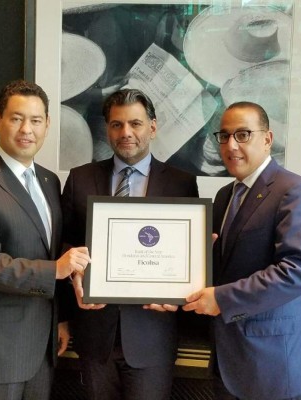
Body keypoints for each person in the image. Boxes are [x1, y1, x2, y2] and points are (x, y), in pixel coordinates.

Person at [0, 80, 89, 400]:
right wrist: (55, 270)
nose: (27, 129)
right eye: (16, 118)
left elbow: (52, 249)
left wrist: (61, 318)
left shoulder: (49, 181)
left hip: (41, 350)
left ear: (47, 124)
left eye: (36, 120)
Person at [61, 88, 199, 400]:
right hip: (95, 333)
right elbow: (65, 243)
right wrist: (73, 277)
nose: (126, 132)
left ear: (152, 127)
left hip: (153, 335)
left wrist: (181, 292)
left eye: (135, 124)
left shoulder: (181, 183)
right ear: (107, 129)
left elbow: (187, 255)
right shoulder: (80, 178)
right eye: (117, 124)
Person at [183, 102, 301, 400]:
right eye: (224, 136)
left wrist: (222, 298)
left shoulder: (293, 190)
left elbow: (298, 272)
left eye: (243, 134)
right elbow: (222, 267)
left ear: (268, 139)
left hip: (274, 363)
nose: (231, 145)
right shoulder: (225, 195)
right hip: (229, 359)